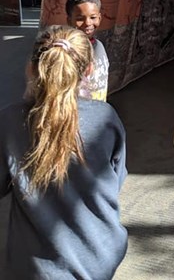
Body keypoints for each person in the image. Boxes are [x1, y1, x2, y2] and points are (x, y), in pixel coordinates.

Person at [0, 25, 128, 279]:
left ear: (32, 66)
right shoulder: (106, 118)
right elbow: (116, 179)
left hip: (37, 268)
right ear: (88, 70)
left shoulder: (10, 121)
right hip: (99, 255)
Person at [66, 0, 109, 101]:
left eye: (93, 17)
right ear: (69, 20)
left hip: (97, 109)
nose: (88, 23)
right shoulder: (67, 51)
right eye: (80, 19)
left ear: (99, 18)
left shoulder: (99, 46)